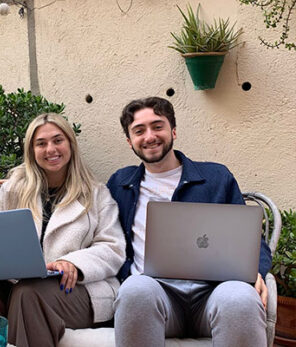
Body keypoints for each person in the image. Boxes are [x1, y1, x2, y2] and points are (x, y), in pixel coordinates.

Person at [107, 97, 272, 347]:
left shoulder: (216, 177)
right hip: (155, 294)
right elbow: (104, 237)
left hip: (214, 293)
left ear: (173, 130)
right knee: (134, 290)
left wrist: (256, 271)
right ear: (130, 142)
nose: (150, 136)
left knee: (240, 298)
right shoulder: (120, 183)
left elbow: (250, 239)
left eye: (157, 126)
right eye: (139, 131)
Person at [0, 113, 125, 347]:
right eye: (41, 143)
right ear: (31, 151)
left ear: (70, 144)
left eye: (58, 140)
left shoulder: (96, 193)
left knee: (28, 293)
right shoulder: (12, 191)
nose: (50, 149)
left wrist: (73, 263)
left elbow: (113, 248)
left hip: (75, 290)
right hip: (15, 285)